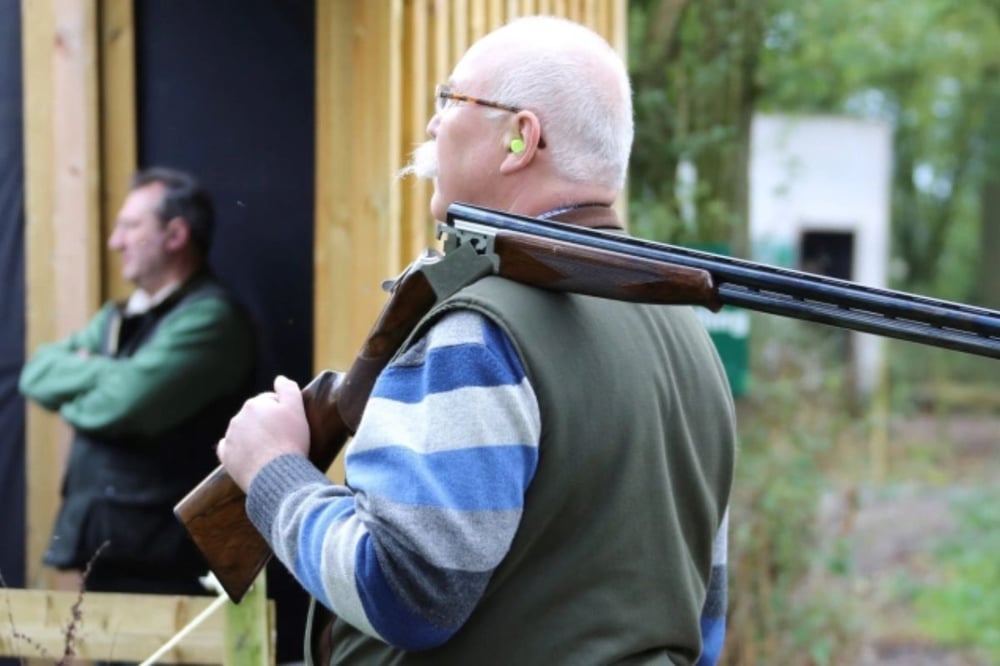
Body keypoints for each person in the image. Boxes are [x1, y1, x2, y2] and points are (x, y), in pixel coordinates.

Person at [218, 15, 736, 665]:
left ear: (521, 139)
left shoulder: (480, 331)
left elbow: (406, 594)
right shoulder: (691, 339)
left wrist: (274, 472)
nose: (434, 124)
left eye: (451, 100)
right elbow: (705, 617)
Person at [20, 167, 256, 596]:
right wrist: (114, 376)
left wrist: (91, 386)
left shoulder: (212, 319)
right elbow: (37, 373)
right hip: (115, 550)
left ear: (175, 235)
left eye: (130, 226)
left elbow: (121, 403)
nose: (116, 241)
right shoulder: (118, 316)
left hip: (170, 560)